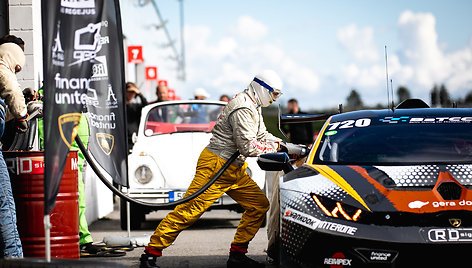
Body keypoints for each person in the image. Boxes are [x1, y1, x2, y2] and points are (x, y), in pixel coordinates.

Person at [140, 70, 303, 268]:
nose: (274, 99)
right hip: (216, 166)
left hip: (232, 168)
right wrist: (281, 147)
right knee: (188, 212)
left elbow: (261, 135)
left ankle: (237, 256)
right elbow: (249, 147)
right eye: (274, 94)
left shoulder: (253, 105)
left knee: (259, 205)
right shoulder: (243, 107)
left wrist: (290, 146)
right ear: (262, 88)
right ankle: (150, 254)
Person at [0, 35, 27, 258]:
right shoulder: (1, 68)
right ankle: (14, 259)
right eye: (16, 68)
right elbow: (12, 90)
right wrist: (22, 115)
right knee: (5, 206)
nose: (15, 73)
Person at [126, 82, 148, 151]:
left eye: (133, 92)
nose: (131, 94)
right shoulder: (120, 107)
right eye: (129, 92)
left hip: (135, 137)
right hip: (124, 138)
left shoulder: (137, 106)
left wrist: (139, 94)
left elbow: (146, 105)